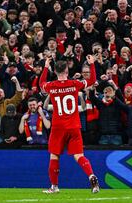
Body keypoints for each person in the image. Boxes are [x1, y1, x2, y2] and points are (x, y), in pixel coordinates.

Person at [39, 55, 100, 194]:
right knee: (79, 155)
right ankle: (91, 175)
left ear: (55, 72)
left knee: (54, 156)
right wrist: (91, 64)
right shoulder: (74, 84)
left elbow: (41, 83)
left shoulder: (51, 86)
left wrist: (45, 66)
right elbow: (92, 80)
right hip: (74, 126)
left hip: (58, 126)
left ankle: (54, 186)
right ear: (67, 70)